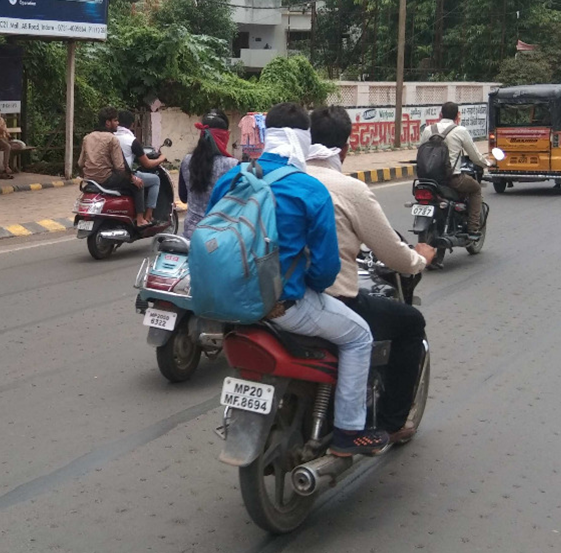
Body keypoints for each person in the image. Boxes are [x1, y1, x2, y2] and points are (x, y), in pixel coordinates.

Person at [207, 102, 387, 457]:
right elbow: (324, 270)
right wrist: (312, 287)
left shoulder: (232, 178)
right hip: (282, 307)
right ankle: (349, 431)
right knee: (359, 336)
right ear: (305, 140)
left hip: (226, 302)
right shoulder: (308, 188)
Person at [307, 106, 434, 444]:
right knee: (410, 323)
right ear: (346, 149)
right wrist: (419, 259)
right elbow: (392, 253)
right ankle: (391, 425)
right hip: (331, 298)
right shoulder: (350, 190)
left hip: (278, 297)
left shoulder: (282, 179)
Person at [424, 101, 489, 239]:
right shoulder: (460, 131)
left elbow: (422, 150)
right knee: (476, 189)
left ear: (440, 114)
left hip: (428, 180)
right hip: (452, 179)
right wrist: (487, 164)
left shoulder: (428, 130)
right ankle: (473, 228)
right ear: (457, 115)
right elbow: (475, 156)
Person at [78, 106, 147, 221]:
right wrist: (133, 179)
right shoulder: (112, 139)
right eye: (115, 120)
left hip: (89, 179)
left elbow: (80, 163)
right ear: (107, 123)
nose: (118, 123)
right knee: (138, 185)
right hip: (106, 179)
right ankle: (140, 219)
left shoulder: (87, 138)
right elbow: (120, 167)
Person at [179, 110, 239, 237]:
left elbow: (183, 197)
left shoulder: (187, 161)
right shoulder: (233, 165)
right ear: (224, 138)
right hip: (220, 235)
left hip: (191, 233)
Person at [116, 110, 164, 227]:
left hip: (110, 174)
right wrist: (161, 159)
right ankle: (146, 217)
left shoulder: (111, 137)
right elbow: (147, 164)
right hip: (125, 175)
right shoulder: (132, 141)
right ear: (132, 124)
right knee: (155, 180)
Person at [0, 105, 27, 180]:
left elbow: (6, 131)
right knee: (7, 146)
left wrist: (9, 136)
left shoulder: (2, 120)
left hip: (5, 140)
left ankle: (13, 165)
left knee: (19, 145)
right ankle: (6, 167)